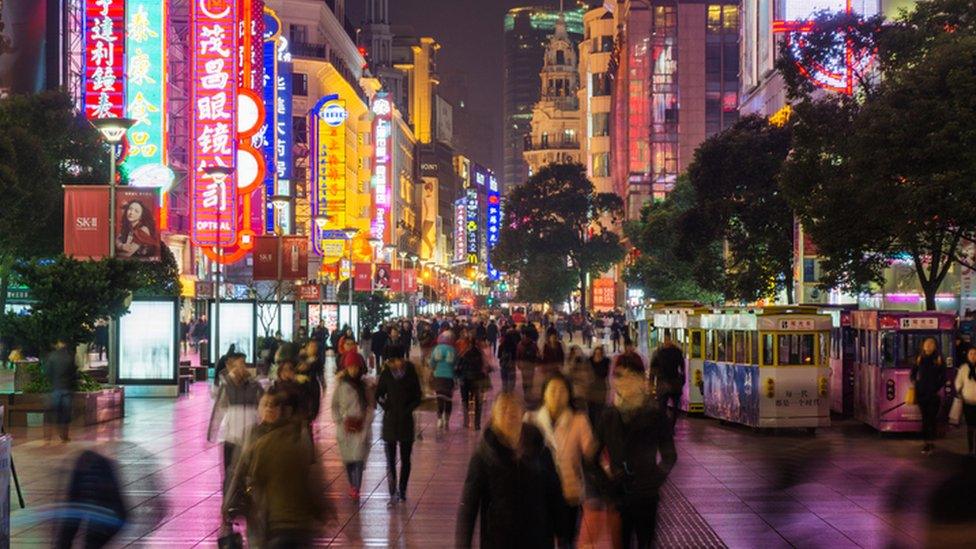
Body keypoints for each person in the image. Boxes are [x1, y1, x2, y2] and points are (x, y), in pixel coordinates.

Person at [223, 388, 333, 546]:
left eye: (273, 406)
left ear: (283, 411)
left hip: (282, 518)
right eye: (265, 404)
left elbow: (312, 476)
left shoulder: (293, 438)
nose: (269, 409)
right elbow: (237, 472)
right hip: (264, 514)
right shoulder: (252, 434)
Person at [589, 357, 677, 549]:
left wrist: (653, 480)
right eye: (620, 376)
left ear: (641, 380)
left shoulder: (655, 415)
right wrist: (607, 486)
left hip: (646, 497)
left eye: (632, 375)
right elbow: (591, 458)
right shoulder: (608, 416)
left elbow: (670, 455)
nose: (625, 381)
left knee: (645, 543)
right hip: (619, 498)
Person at [456, 393, 563, 548]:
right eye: (503, 409)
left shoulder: (540, 450)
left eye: (514, 408)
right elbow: (469, 505)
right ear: (494, 417)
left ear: (523, 413)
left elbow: (555, 493)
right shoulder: (484, 455)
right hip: (499, 540)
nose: (509, 413)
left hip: (538, 539)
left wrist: (562, 534)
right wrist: (463, 544)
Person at [524, 374, 596, 549]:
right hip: (537, 494)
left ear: (569, 394)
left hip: (569, 493)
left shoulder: (579, 421)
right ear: (544, 393)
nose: (557, 395)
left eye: (562, 390)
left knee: (566, 541)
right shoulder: (530, 420)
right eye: (553, 390)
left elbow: (592, 454)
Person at [208, 352, 263, 494]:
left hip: (250, 435)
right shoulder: (226, 386)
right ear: (230, 366)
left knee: (249, 469)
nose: (241, 368)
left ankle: (245, 497)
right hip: (231, 435)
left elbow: (262, 406)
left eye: (243, 364)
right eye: (237, 365)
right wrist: (212, 433)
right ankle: (229, 499)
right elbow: (219, 410)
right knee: (230, 469)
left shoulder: (254, 385)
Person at [375, 345, 423, 506]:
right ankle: (392, 491)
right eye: (391, 361)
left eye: (395, 360)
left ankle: (402, 490)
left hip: (406, 422)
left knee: (405, 459)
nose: (393, 364)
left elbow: (418, 396)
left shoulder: (410, 373)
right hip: (389, 422)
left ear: (402, 359)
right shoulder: (386, 373)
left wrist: (407, 409)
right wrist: (386, 407)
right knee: (390, 459)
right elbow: (378, 394)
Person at [56, 450, 127, 548]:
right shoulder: (89, 472)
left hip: (108, 516)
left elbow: (73, 514)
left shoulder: (87, 474)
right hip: (109, 514)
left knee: (89, 539)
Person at [331, 352, 373, 499]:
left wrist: (367, 422)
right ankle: (352, 484)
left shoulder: (364, 386)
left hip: (361, 427)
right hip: (345, 428)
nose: (353, 370)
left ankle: (357, 486)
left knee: (359, 458)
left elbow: (370, 406)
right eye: (351, 367)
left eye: (356, 367)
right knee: (349, 460)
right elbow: (334, 405)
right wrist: (339, 421)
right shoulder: (341, 386)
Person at [911, 337, 945, 454]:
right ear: (923, 346)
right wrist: (918, 384)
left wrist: (936, 387)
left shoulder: (939, 359)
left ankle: (931, 442)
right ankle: (926, 443)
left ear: (935, 346)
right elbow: (913, 374)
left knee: (932, 419)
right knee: (925, 419)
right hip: (921, 394)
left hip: (933, 395)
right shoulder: (919, 358)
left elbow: (943, 377)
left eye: (932, 343)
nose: (929, 345)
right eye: (927, 343)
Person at [45, 339, 77, 443]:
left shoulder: (52, 356)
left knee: (52, 412)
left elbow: (48, 372)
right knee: (66, 413)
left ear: (58, 343)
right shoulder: (70, 356)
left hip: (56, 388)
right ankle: (64, 436)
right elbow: (74, 373)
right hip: (67, 388)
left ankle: (48, 437)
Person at [650, 334, 686, 428]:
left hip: (664, 383)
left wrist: (651, 381)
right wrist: (682, 380)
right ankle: (670, 425)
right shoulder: (677, 352)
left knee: (663, 406)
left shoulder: (659, 352)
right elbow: (682, 367)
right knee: (674, 407)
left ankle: (666, 425)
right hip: (674, 383)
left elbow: (653, 368)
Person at [456, 336, 488, 430]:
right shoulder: (480, 354)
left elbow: (458, 367)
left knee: (465, 401)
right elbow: (485, 367)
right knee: (478, 403)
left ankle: (466, 422)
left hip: (465, 380)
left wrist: (459, 376)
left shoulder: (463, 353)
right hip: (477, 380)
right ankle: (477, 424)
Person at [430, 331, 458, 431]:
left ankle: (439, 419)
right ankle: (446, 420)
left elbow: (432, 363)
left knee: (439, 398)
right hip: (449, 377)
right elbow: (456, 363)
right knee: (448, 399)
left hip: (438, 376)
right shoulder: (453, 350)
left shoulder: (436, 349)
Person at [954, 347, 976, 457]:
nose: (973, 356)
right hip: (968, 402)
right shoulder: (964, 368)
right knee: (970, 427)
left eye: (975, 354)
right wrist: (960, 392)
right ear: (967, 355)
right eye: (971, 353)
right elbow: (958, 382)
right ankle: (971, 449)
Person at [587, 345, 611, 427]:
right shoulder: (589, 360)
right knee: (591, 410)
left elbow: (605, 373)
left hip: (601, 389)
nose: (598, 355)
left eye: (599, 353)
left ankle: (599, 428)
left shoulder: (606, 361)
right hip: (591, 389)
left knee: (600, 410)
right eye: (596, 353)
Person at [563, 345, 593, 409]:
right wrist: (573, 360)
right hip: (572, 389)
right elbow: (567, 372)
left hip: (582, 390)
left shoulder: (585, 361)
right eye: (573, 352)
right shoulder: (568, 361)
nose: (576, 354)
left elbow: (589, 374)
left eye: (577, 352)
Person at [517, 328, 540, 402]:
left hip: (524, 365)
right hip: (531, 365)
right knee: (530, 379)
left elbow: (518, 355)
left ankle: (525, 394)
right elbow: (538, 354)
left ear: (524, 335)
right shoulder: (533, 344)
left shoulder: (520, 344)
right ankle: (529, 393)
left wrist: (518, 363)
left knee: (524, 379)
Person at [498, 325, 521, 393]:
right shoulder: (513, 345)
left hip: (503, 364)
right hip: (511, 364)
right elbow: (515, 355)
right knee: (511, 377)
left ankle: (505, 389)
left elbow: (499, 356)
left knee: (504, 377)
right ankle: (511, 390)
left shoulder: (501, 346)